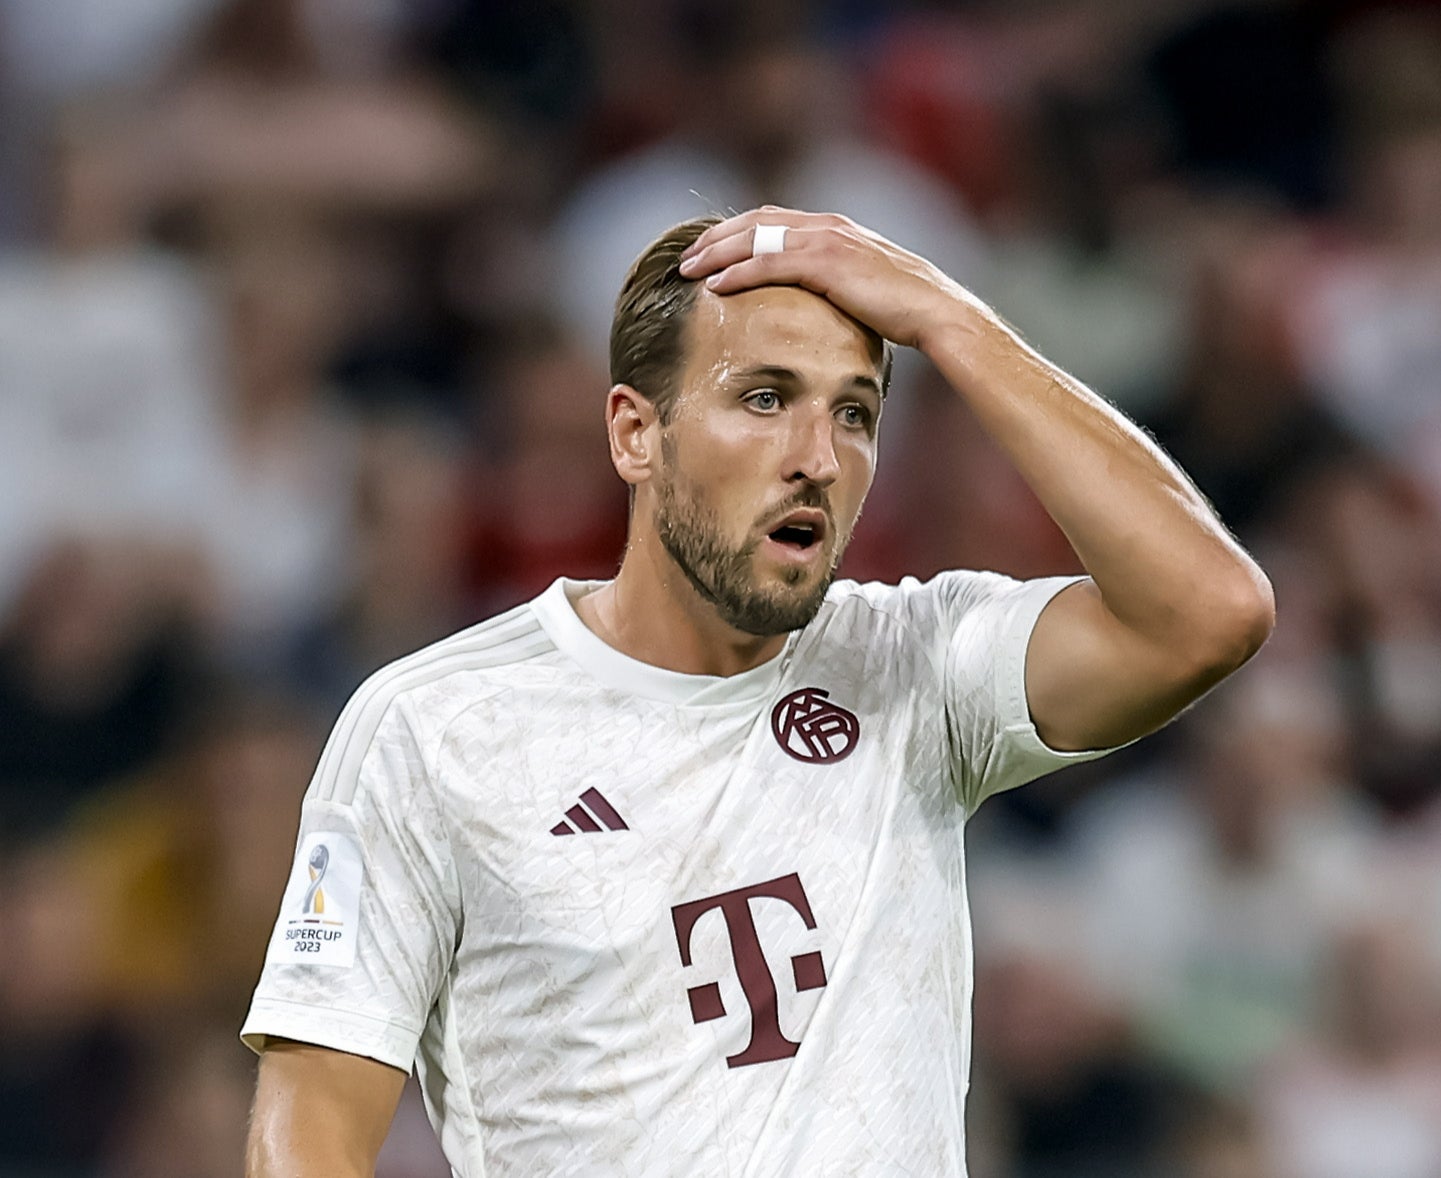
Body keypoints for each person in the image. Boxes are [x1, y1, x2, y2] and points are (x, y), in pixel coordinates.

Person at [240, 208, 1275, 1176]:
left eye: (856, 414)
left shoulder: (910, 662)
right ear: (634, 434)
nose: (817, 459)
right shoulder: (434, 725)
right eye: (765, 398)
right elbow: (314, 1114)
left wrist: (947, 319)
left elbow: (1209, 611)